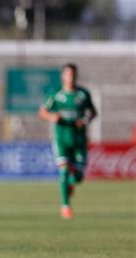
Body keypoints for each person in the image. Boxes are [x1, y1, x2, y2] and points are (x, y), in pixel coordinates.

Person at [39, 63, 97, 219]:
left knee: (78, 177)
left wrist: (84, 120)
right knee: (63, 171)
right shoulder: (56, 93)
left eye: (72, 74)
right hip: (61, 139)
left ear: (76, 76)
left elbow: (92, 113)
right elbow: (43, 111)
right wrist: (52, 116)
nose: (70, 77)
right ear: (63, 76)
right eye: (67, 74)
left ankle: (70, 183)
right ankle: (66, 207)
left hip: (79, 140)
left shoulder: (83, 94)